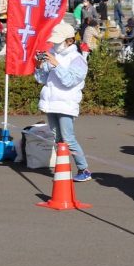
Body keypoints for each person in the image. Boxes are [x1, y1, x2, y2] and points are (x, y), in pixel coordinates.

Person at [34, 21, 92, 183]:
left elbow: (69, 81)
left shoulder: (77, 59)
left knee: (68, 138)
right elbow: (42, 79)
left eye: (58, 41)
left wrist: (56, 64)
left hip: (66, 104)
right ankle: (63, 167)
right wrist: (38, 65)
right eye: (54, 41)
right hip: (51, 103)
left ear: (70, 41)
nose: (55, 44)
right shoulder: (53, 54)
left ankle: (84, 169)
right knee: (57, 138)